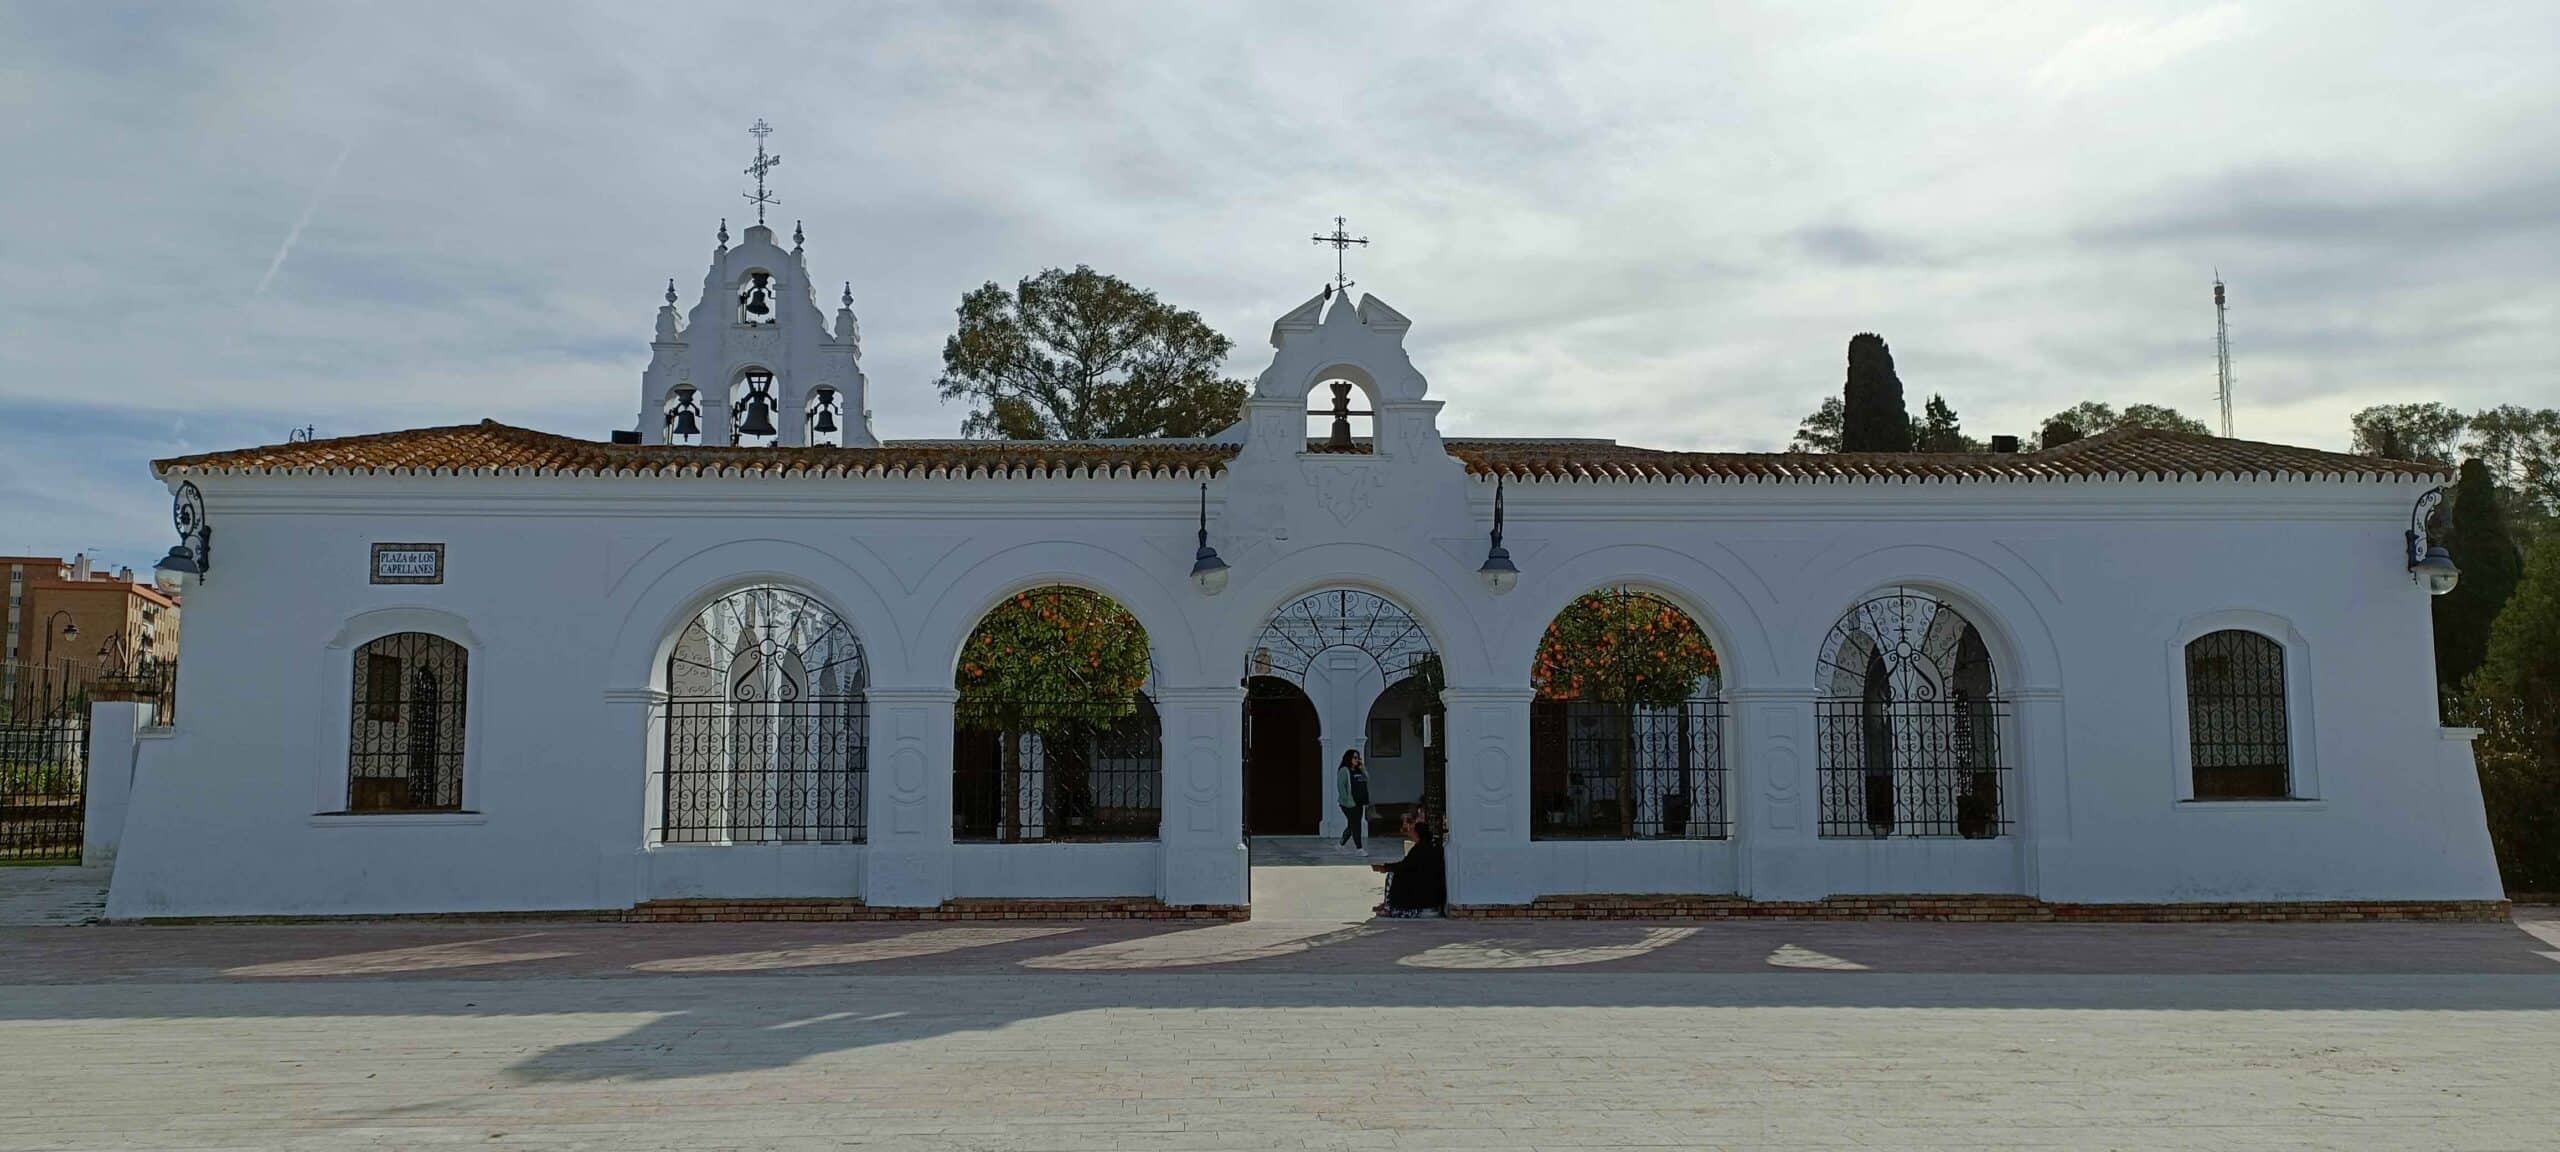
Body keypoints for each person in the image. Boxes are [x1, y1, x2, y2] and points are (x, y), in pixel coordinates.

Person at [1372, 805, 1446, 917]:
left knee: (1393, 876)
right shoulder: (1427, 847)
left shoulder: (1421, 850)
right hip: (1432, 898)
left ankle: (1389, 907)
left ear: (1417, 834)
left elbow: (1404, 866)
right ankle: (1388, 905)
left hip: (1426, 900)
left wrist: (1384, 868)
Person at [1334, 749, 1371, 849]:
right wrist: (1348, 802)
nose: (1357, 759)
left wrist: (1362, 768)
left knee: (1352, 825)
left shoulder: (1359, 770)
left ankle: (1340, 844)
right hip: (1348, 803)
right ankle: (1359, 848)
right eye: (1355, 757)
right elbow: (1341, 788)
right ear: (1349, 758)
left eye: (1358, 757)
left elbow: (1366, 779)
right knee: (1356, 825)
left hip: (1359, 802)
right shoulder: (1344, 770)